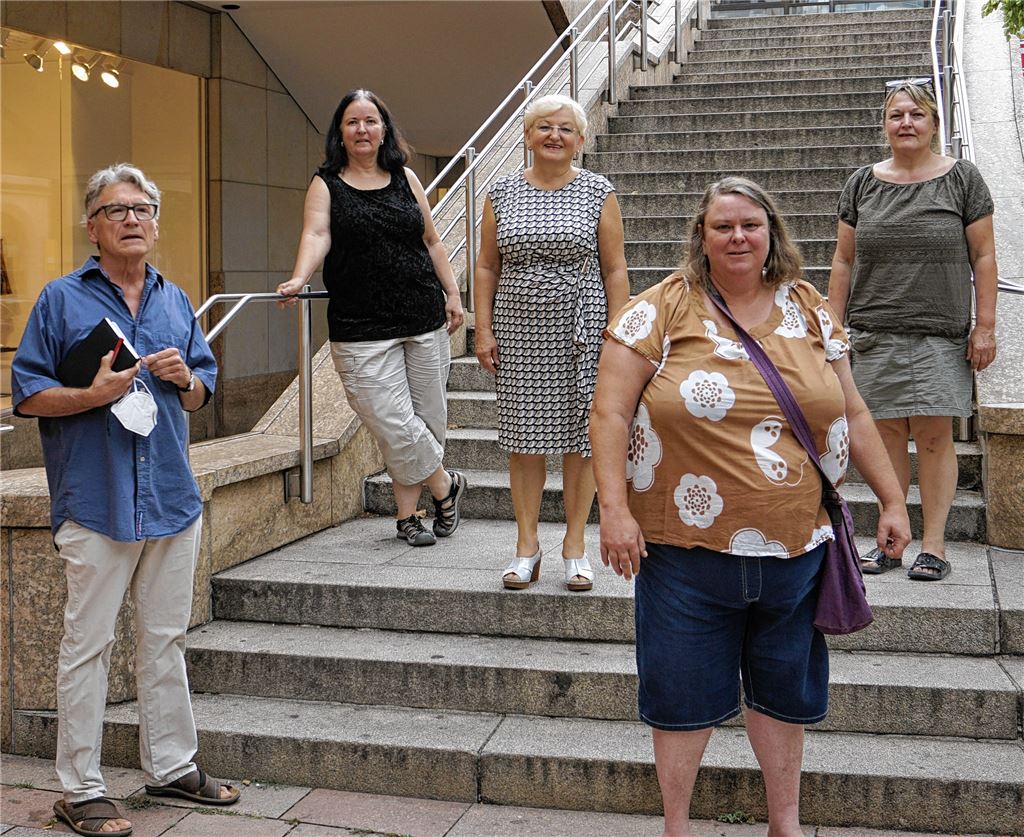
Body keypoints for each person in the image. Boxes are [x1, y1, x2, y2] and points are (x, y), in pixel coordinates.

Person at [590, 177, 911, 836]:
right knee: (682, 697)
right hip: (682, 554)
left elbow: (851, 406)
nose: (737, 236)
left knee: (784, 692)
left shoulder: (811, 308)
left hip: (796, 551)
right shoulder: (659, 310)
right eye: (722, 226)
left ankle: (784, 822)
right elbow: (609, 412)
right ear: (700, 238)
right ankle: (676, 824)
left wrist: (891, 497)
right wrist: (614, 510)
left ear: (771, 234)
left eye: (750, 225)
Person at [11, 163, 237, 837]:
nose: (131, 219)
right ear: (92, 225)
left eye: (141, 209)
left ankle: (172, 764)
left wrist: (185, 377)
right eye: (116, 210)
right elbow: (26, 393)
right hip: (97, 499)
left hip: (170, 495)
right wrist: (92, 395)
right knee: (89, 644)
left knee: (165, 640)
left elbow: (204, 388)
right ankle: (79, 789)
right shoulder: (60, 299)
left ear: (157, 223)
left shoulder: (176, 298)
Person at [277, 89, 466, 547]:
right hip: (360, 325)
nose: (362, 129)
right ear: (339, 134)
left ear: (384, 130)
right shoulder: (327, 183)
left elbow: (432, 240)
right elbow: (316, 233)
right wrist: (300, 277)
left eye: (370, 121)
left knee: (426, 420)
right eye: (352, 122)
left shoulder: (404, 177)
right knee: (394, 421)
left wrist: (453, 293)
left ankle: (408, 516)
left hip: (422, 315)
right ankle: (445, 486)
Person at [828, 78, 998, 581]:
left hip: (939, 333)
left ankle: (935, 545)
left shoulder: (962, 179)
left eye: (916, 115)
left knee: (932, 438)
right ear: (885, 126)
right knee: (882, 440)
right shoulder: (862, 182)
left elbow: (984, 255)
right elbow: (842, 260)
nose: (906, 123)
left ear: (934, 124)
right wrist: (834, 328)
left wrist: (984, 325)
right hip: (874, 330)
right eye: (897, 115)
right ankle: (891, 540)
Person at [474, 93, 629, 592]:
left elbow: (614, 268)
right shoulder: (500, 193)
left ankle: (575, 545)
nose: (554, 136)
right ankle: (526, 546)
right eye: (544, 127)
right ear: (527, 135)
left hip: (582, 326)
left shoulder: (597, 191)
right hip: (519, 327)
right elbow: (486, 265)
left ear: (580, 139)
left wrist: (620, 331)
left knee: (581, 440)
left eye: (565, 128)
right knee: (523, 440)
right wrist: (483, 327)